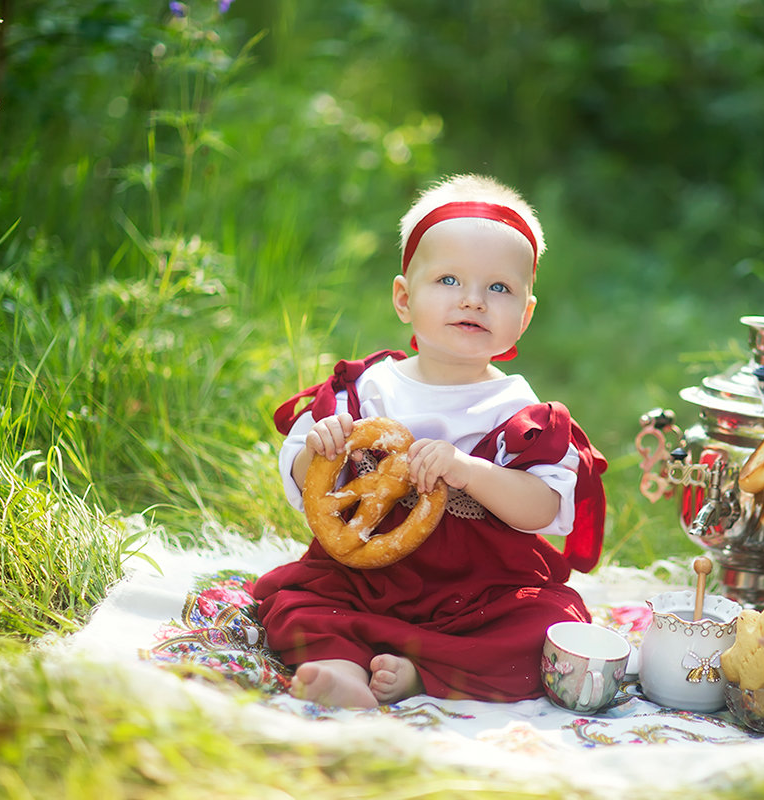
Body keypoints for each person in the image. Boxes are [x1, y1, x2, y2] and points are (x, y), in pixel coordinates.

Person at [254, 174, 607, 709]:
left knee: (548, 627)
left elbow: (544, 508)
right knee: (296, 603)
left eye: (499, 288)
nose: (473, 301)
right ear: (403, 298)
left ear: (526, 315)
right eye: (448, 281)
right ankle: (341, 671)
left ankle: (423, 673)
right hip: (363, 575)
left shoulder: (523, 413)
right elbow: (308, 486)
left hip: (482, 589)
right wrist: (317, 449)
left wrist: (471, 472)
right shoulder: (366, 389)